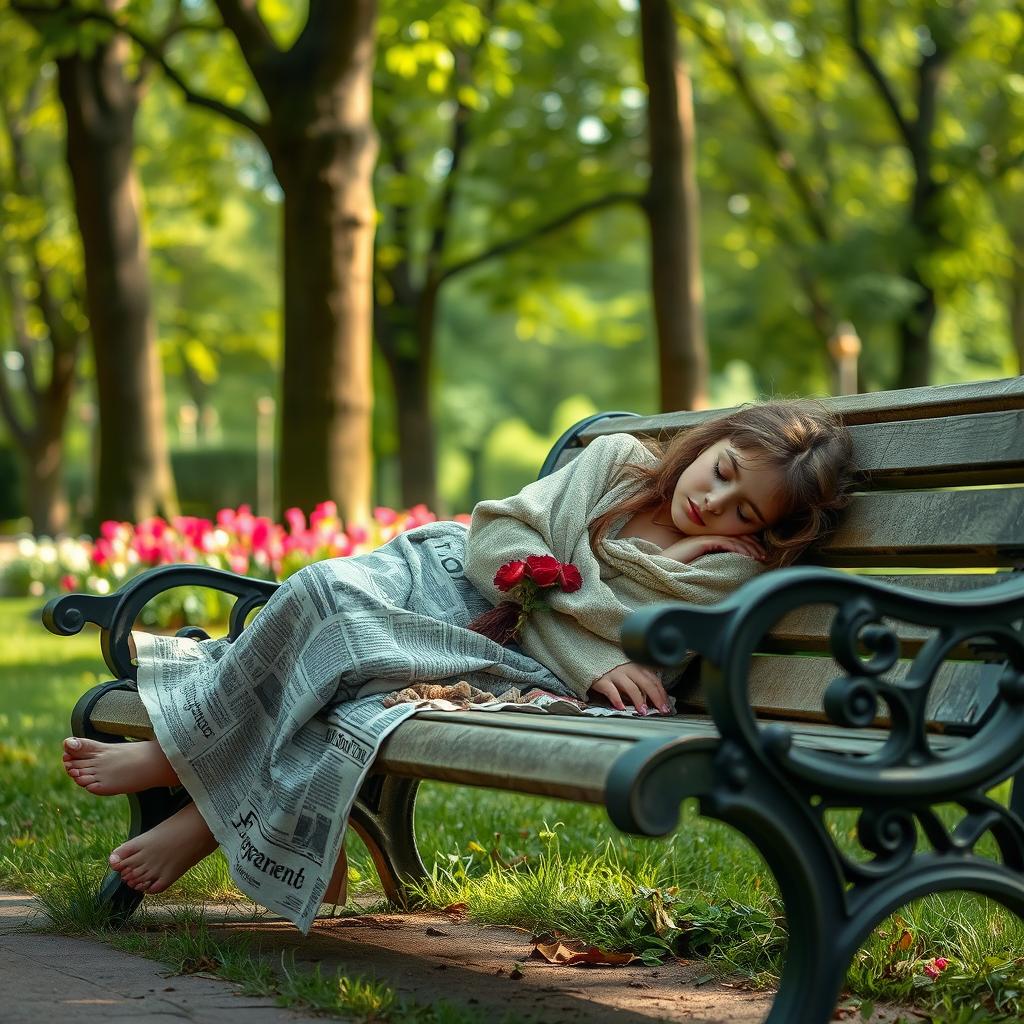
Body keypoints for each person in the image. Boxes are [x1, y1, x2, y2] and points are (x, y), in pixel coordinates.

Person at [61, 399, 854, 929]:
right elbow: (504, 535)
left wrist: (577, 582)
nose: (714, 506)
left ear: (769, 531)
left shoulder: (725, 568)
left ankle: (196, 803)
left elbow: (627, 629)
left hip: (511, 657)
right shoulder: (616, 460)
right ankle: (185, 765)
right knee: (319, 589)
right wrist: (571, 600)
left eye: (745, 510)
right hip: (449, 574)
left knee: (356, 662)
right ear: (706, 444)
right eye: (719, 474)